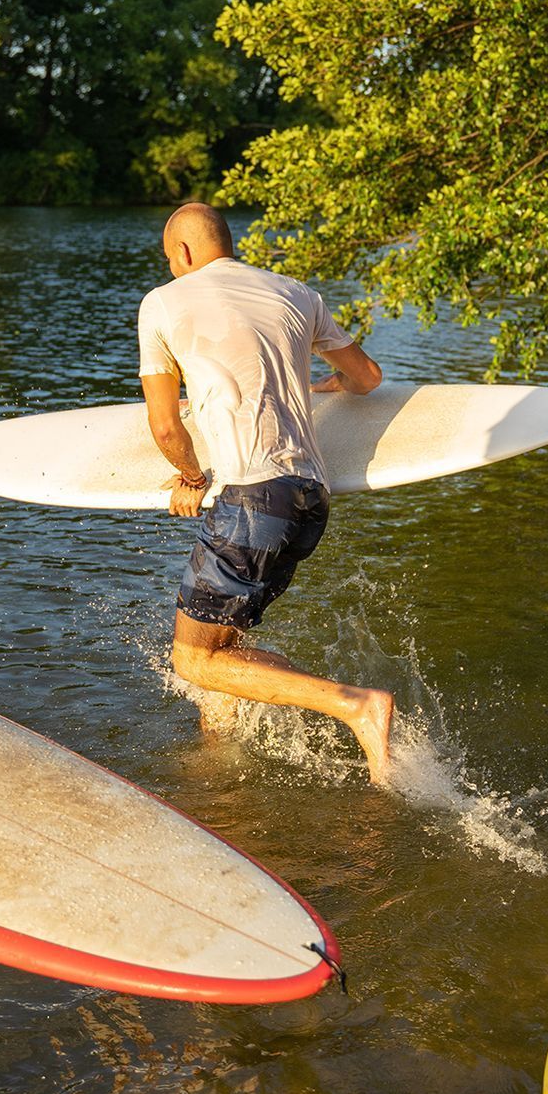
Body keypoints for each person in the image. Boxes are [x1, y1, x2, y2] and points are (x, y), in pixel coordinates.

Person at [138, 203, 395, 784]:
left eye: (169, 258)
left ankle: (356, 706)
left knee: (192, 658)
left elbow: (165, 427)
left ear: (181, 253)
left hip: (251, 499)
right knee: (221, 649)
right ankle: (222, 762)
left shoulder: (162, 302)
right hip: (309, 499)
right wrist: (330, 384)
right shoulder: (297, 294)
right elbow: (368, 377)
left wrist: (192, 480)